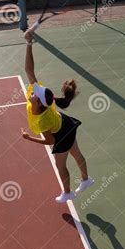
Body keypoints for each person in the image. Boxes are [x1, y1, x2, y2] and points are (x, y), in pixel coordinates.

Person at [20, 30, 94, 203]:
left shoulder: (43, 120)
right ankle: (86, 180)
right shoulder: (39, 98)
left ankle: (68, 192)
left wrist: (29, 138)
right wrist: (28, 43)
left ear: (38, 103)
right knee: (77, 153)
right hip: (66, 124)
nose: (32, 91)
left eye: (35, 94)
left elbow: (50, 141)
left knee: (60, 165)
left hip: (61, 135)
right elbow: (29, 69)